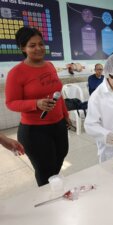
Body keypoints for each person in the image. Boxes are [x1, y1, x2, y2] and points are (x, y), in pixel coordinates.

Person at [5, 27, 71, 186]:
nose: (38, 48)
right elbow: (11, 103)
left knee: (60, 158)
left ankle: (55, 190)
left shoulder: (49, 65)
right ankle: (48, 200)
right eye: (32, 45)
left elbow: (58, 94)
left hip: (58, 125)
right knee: (45, 171)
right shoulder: (16, 72)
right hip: (35, 131)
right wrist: (36, 103)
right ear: (23, 48)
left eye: (41, 44)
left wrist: (65, 115)